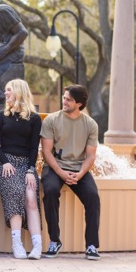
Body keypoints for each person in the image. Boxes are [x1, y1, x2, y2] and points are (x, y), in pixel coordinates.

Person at [40, 84, 101, 260]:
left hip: (78, 169)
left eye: (69, 100)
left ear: (79, 104)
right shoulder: (51, 120)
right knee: (50, 191)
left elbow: (90, 156)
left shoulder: (90, 124)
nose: (64, 101)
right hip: (54, 167)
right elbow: (46, 152)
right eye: (64, 98)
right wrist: (61, 173)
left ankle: (91, 245)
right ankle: (54, 240)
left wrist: (80, 174)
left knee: (93, 197)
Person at [0, 79, 43, 259]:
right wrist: (5, 161)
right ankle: (17, 243)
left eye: (8, 90)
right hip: (5, 163)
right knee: (15, 191)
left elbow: (33, 148)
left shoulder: (34, 118)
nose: (5, 94)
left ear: (18, 92)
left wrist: (31, 170)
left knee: (31, 196)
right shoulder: (1, 116)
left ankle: (37, 245)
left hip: (25, 164)